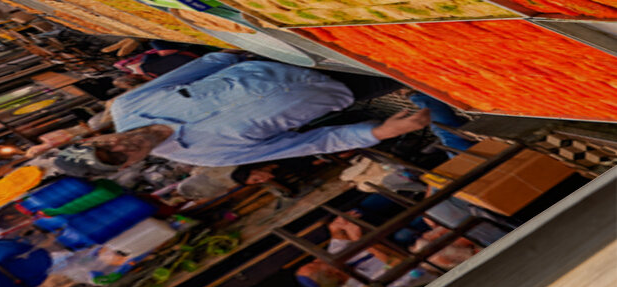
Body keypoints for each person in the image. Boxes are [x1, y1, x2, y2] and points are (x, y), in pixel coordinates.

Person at [53, 52, 431, 175]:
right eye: (117, 159)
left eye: (107, 146)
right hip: (346, 89)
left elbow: (208, 64)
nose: (122, 147)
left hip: (287, 56)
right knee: (424, 60)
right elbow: (311, 142)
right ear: (126, 167)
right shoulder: (208, 156)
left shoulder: (127, 105)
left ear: (96, 137)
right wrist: (378, 133)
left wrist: (251, 41)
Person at [295, 214, 437, 287]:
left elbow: (338, 239)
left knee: (363, 211)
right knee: (403, 235)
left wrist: (338, 226)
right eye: (316, 263)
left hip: (398, 245)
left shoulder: (336, 262)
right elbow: (400, 263)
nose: (317, 258)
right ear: (332, 272)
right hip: (425, 261)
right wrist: (360, 240)